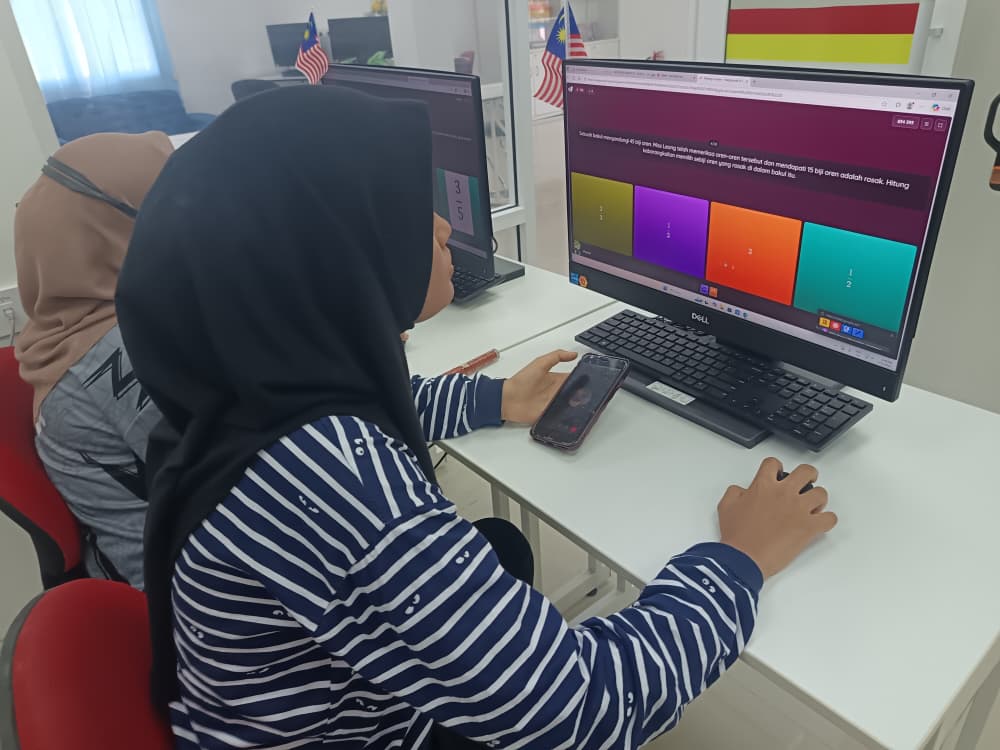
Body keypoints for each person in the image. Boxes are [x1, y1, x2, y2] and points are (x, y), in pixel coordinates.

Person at [116, 85, 837, 750]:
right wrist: (738, 560)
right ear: (327, 256)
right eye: (400, 208)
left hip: (296, 706)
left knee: (500, 550)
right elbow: (581, 711)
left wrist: (493, 399)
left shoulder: (241, 388)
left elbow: (372, 404)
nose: (439, 226)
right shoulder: (329, 479)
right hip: (368, 732)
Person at [13, 132, 173, 587]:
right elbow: (254, 463)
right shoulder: (120, 351)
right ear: (113, 232)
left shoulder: (76, 321)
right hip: (181, 590)